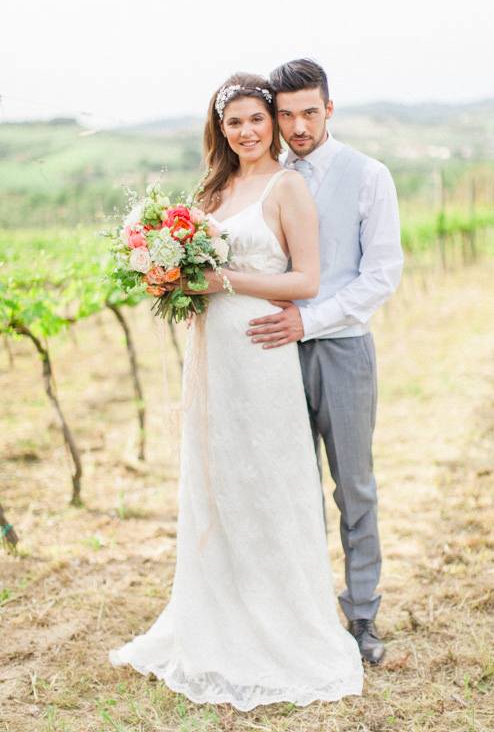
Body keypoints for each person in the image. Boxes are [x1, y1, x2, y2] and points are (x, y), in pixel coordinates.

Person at [110, 73, 363, 710]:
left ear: (274, 124)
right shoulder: (214, 188)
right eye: (234, 123)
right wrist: (167, 273)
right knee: (217, 478)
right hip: (213, 355)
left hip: (260, 353)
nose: (246, 132)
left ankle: (280, 626)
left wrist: (224, 282)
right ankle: (216, 620)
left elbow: (305, 280)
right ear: (220, 129)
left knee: (267, 482)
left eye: (256, 120)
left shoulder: (288, 187)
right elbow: (197, 270)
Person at [246, 59, 404, 665]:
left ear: (329, 109)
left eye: (309, 112)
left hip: (341, 351)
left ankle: (361, 615)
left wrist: (309, 320)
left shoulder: (369, 176)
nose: (297, 126)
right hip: (272, 353)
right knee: (290, 488)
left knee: (353, 486)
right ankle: (301, 616)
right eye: (285, 115)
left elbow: (382, 275)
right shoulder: (267, 178)